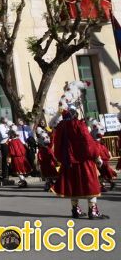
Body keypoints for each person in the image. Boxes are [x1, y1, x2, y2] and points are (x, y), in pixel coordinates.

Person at [52, 83, 108, 219]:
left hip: (68, 162)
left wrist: (61, 159)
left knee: (74, 186)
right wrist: (97, 157)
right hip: (84, 161)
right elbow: (89, 143)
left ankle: (75, 210)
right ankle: (93, 211)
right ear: (75, 114)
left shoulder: (60, 127)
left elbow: (56, 145)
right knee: (91, 185)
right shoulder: (79, 125)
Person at [35, 127, 58, 192]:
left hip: (48, 165)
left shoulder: (46, 149)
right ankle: (50, 185)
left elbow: (40, 158)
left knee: (50, 177)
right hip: (48, 165)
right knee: (50, 177)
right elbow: (40, 158)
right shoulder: (45, 150)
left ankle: (50, 185)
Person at [0, 118, 10, 184]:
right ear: (2, 120)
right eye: (6, 119)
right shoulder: (0, 126)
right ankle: (5, 175)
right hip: (3, 143)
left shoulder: (7, 126)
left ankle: (9, 173)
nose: (7, 120)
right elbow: (3, 135)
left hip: (8, 143)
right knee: (5, 159)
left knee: (9, 159)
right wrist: (10, 134)